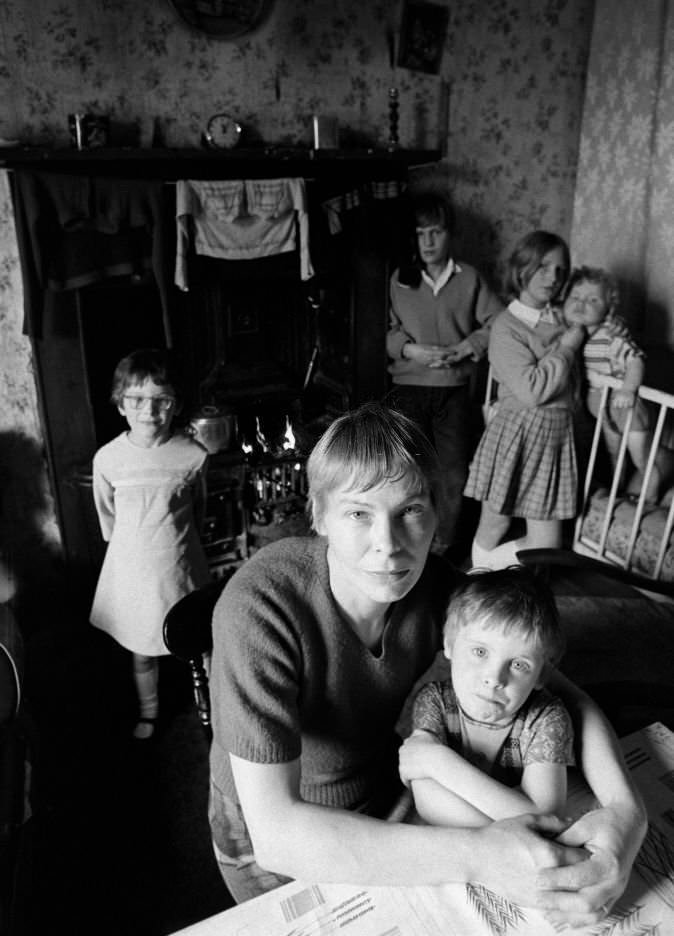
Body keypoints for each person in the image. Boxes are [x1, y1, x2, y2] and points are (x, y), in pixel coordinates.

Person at [208, 401, 646, 928]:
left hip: (382, 790)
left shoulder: (437, 587)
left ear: (437, 514)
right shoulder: (260, 605)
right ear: (319, 516)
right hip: (266, 836)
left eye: (410, 510)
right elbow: (278, 835)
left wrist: (627, 814)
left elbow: (563, 692)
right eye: (358, 513)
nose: (389, 546)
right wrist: (483, 856)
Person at [90, 348, 210, 739]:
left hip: (179, 563)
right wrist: (130, 549)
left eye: (161, 401)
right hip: (133, 567)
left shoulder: (193, 455)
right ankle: (149, 710)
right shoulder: (108, 459)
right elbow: (107, 515)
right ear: (121, 405)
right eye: (137, 400)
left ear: (175, 406)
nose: (149, 411)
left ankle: (213, 705)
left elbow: (199, 509)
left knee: (200, 644)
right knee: (141, 648)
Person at [399, 568, 574, 827]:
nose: (495, 679)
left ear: (541, 675)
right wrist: (519, 820)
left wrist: (437, 760)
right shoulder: (434, 700)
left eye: (518, 664)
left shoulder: (546, 718)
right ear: (449, 645)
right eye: (480, 651)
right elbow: (428, 803)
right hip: (452, 841)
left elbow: (545, 818)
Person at [386, 191, 503, 560]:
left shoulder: (469, 278)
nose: (429, 242)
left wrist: (466, 348)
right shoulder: (400, 279)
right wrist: (411, 350)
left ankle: (445, 550)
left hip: (454, 390)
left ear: (449, 234)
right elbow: (385, 332)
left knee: (453, 474)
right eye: (421, 234)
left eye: (436, 232)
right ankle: (404, 544)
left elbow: (499, 322)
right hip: (408, 387)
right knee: (406, 470)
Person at [464, 230, 586, 570]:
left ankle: (487, 574)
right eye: (544, 267)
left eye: (561, 270)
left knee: (547, 544)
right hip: (517, 432)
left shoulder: (563, 318)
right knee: (495, 524)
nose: (553, 277)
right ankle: (477, 578)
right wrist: (568, 346)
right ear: (523, 268)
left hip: (555, 437)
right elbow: (533, 390)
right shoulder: (506, 326)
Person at [563, 265, 663, 502]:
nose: (581, 303)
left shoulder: (610, 336)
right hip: (600, 407)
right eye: (575, 297)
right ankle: (617, 489)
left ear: (609, 310)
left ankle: (653, 482)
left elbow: (635, 360)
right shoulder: (572, 334)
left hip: (623, 405)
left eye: (593, 300)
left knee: (639, 455)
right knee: (613, 454)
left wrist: (628, 389)